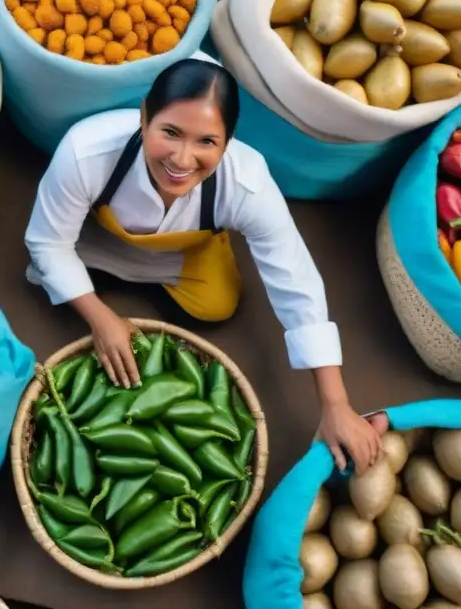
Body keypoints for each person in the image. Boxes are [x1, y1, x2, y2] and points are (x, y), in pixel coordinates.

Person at [24, 56, 385, 472]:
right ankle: (96, 277)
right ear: (144, 117)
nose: (182, 159)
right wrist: (100, 317)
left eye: (206, 142)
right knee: (55, 266)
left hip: (183, 253)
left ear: (228, 141)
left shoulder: (247, 184)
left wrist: (335, 403)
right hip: (98, 237)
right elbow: (47, 242)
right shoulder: (87, 151)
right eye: (171, 132)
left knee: (218, 304)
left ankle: (111, 274)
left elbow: (295, 281)